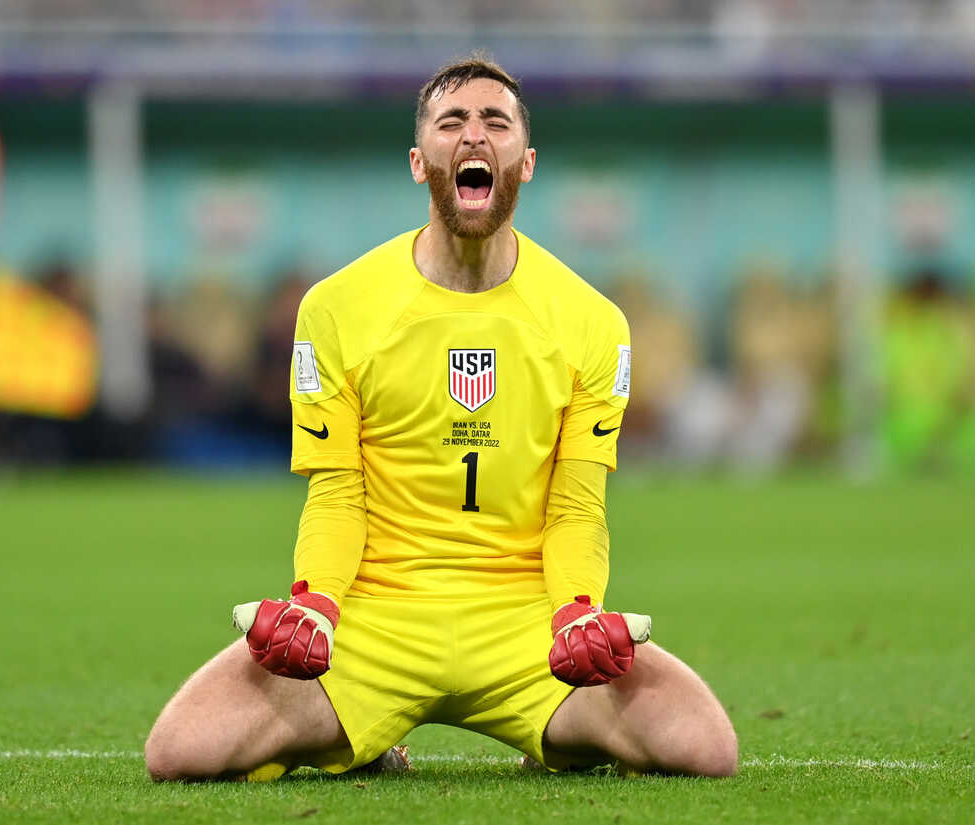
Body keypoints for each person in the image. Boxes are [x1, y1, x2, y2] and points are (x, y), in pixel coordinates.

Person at [145, 55, 738, 781]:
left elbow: (576, 506)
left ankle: (544, 733)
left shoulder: (594, 322)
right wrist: (317, 603)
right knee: (180, 752)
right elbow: (337, 495)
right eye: (451, 122)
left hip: (524, 621)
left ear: (528, 159)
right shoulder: (334, 309)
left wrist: (579, 610)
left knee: (705, 746)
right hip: (375, 618)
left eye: (497, 122)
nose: (474, 136)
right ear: (420, 161)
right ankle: (366, 738)